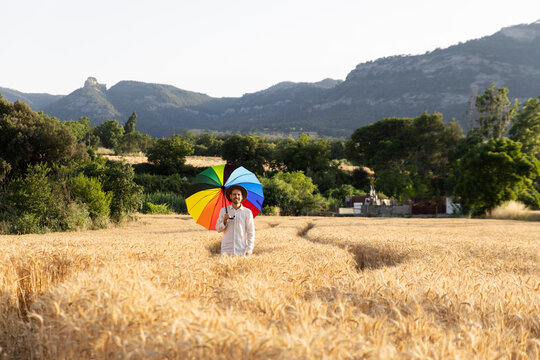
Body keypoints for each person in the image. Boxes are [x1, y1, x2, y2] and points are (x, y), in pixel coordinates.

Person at [215, 184, 255, 255]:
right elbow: (218, 229)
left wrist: (249, 249)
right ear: (230, 196)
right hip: (226, 250)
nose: (236, 196)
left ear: (242, 197)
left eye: (239, 194)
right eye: (234, 194)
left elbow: (250, 232)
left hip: (241, 250)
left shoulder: (247, 212)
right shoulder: (223, 211)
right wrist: (224, 221)